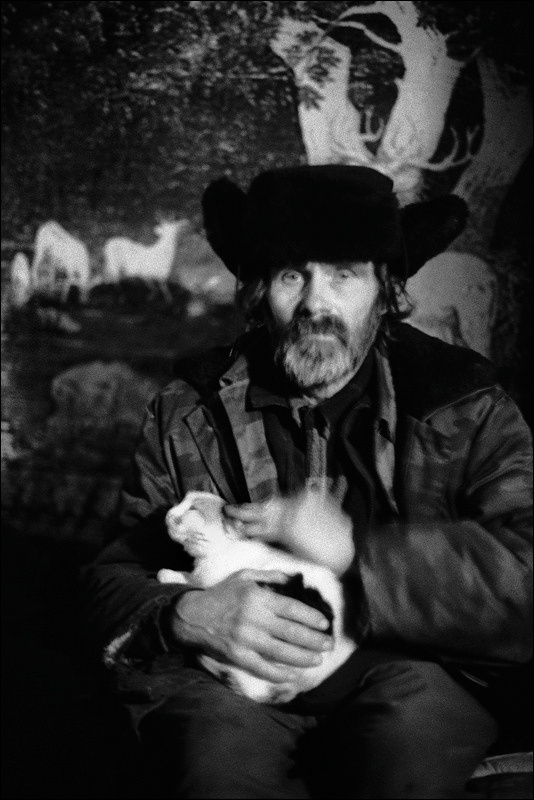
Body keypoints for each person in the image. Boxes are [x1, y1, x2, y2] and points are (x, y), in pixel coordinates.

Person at [80, 165, 532, 799]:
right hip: (237, 681)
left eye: (344, 273)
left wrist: (355, 552)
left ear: (384, 289)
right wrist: (186, 614)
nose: (318, 303)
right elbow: (109, 575)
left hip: (418, 669)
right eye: (294, 275)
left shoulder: (466, 405)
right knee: (215, 763)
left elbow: (524, 574)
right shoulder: (189, 410)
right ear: (260, 290)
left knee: (405, 749)